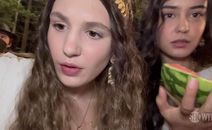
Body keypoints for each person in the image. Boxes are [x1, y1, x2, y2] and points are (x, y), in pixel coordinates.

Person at [8, 0, 144, 130]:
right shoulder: (7, 78)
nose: (69, 48)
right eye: (60, 26)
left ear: (117, 47)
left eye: (92, 33)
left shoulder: (127, 110)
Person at [138, 0, 212, 130]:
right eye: (169, 15)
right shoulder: (129, 86)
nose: (183, 27)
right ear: (148, 20)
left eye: (195, 14)